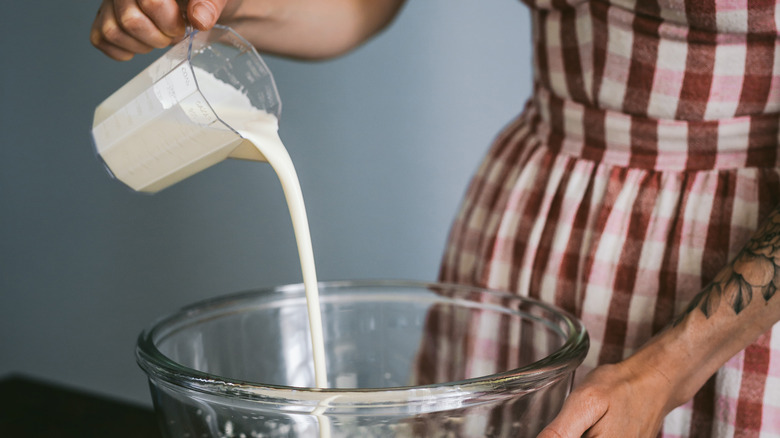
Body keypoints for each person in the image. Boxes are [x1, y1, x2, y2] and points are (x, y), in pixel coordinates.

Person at [91, 0, 780, 436]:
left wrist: (665, 371)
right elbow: (362, 6)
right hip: (536, 218)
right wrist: (229, 5)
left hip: (735, 273)